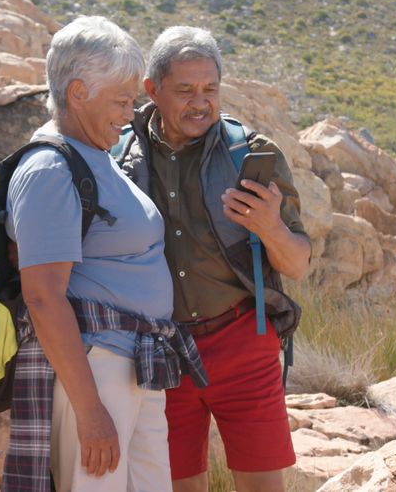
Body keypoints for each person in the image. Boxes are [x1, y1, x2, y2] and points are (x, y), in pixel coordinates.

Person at [0, 16, 207, 492]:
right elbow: (43, 296)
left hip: (134, 367)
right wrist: (90, 409)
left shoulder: (96, 157)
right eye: (120, 100)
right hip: (97, 371)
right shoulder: (50, 169)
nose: (130, 114)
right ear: (78, 93)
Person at [114, 26, 312, 492]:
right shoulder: (117, 155)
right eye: (185, 90)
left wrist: (270, 227)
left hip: (243, 340)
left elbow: (298, 263)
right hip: (161, 347)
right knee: (177, 484)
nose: (200, 102)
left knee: (262, 487)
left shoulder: (252, 154)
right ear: (152, 89)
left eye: (210, 89)